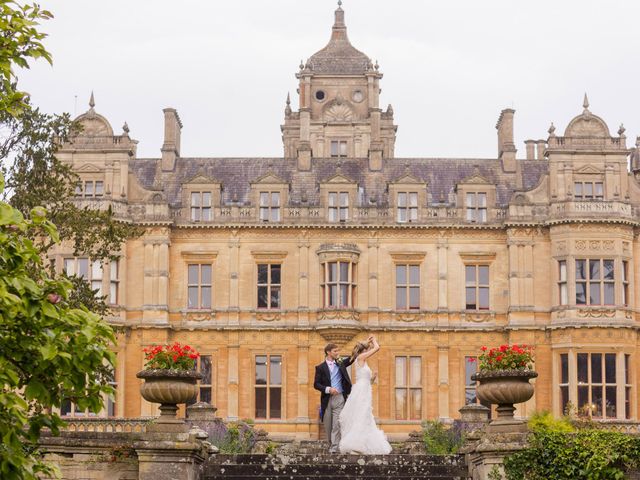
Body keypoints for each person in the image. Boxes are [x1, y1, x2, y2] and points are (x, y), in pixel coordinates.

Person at [338, 335, 392, 454]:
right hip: (361, 390)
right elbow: (377, 348)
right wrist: (374, 341)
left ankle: (362, 443)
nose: (368, 351)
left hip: (365, 389)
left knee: (365, 415)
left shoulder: (363, 361)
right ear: (364, 351)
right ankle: (355, 443)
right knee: (361, 414)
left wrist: (372, 378)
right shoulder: (361, 357)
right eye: (367, 349)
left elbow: (367, 381)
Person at [313, 343, 355, 453]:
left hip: (340, 397)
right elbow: (316, 384)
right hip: (327, 399)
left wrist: (362, 346)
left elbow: (352, 358)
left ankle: (334, 447)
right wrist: (328, 389)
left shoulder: (341, 363)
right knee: (327, 425)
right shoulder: (320, 367)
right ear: (328, 352)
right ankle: (331, 444)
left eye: (338, 351)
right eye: (335, 351)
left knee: (336, 424)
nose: (338, 353)